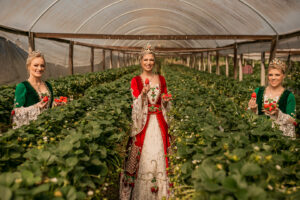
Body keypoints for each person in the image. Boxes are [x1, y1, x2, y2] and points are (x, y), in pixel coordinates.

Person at [120, 44, 172, 200]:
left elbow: (165, 99)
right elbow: (135, 104)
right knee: (144, 156)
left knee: (161, 153)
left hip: (160, 123)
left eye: (151, 60)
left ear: (154, 62)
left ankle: (162, 193)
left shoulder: (161, 79)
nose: (149, 63)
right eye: (146, 60)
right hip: (144, 125)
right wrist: (142, 95)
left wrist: (167, 101)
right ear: (140, 61)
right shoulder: (135, 80)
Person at [248, 58, 296, 138]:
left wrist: (278, 114)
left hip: (279, 137)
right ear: (267, 76)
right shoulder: (258, 91)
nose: (273, 78)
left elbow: (293, 121)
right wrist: (253, 109)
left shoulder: (289, 95)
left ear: (283, 76)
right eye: (270, 75)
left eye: (277, 75)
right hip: (259, 135)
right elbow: (249, 116)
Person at [12, 51, 54, 129]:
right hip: (31, 129)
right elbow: (16, 113)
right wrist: (36, 107)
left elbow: (50, 108)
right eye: (36, 65)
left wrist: (55, 105)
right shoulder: (22, 86)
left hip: (48, 126)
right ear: (28, 66)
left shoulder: (48, 86)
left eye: (42, 66)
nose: (39, 68)